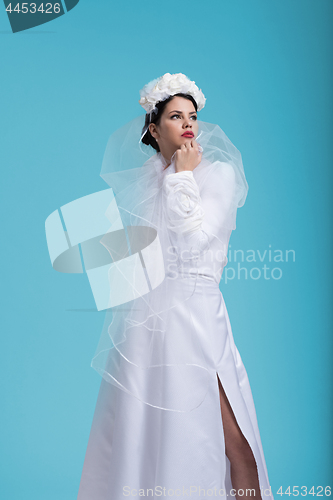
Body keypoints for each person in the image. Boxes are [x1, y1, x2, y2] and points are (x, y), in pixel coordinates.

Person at [77, 73, 274, 500]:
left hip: (199, 318)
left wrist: (182, 177)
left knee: (233, 439)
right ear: (153, 127)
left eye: (193, 116)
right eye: (175, 116)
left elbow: (194, 244)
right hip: (148, 327)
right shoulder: (149, 181)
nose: (188, 124)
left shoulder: (217, 175)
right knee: (147, 438)